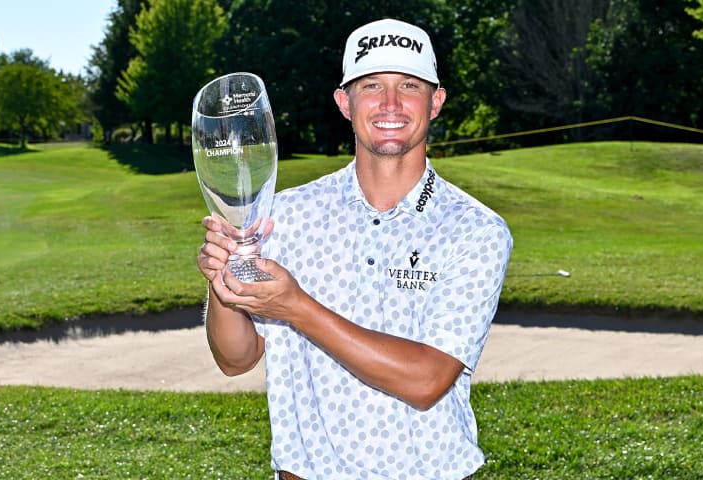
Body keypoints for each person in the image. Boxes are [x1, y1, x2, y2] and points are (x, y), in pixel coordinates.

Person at [197, 18, 512, 480]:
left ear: (436, 101)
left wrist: (296, 307)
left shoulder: (474, 230)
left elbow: (426, 380)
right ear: (345, 102)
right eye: (371, 86)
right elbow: (235, 359)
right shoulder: (285, 215)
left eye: (409, 84)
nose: (390, 103)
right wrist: (223, 283)